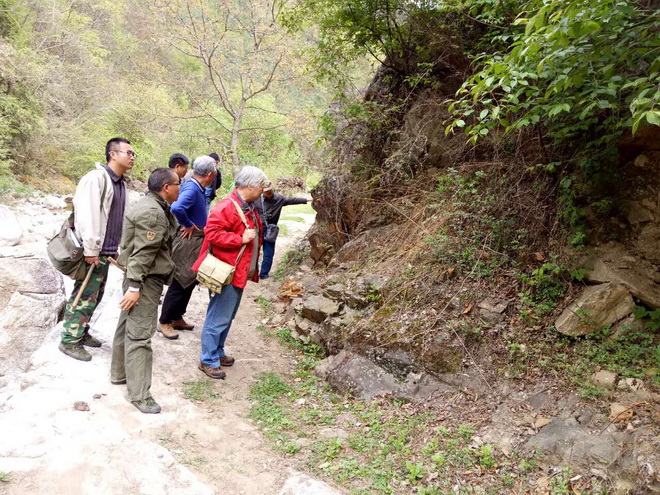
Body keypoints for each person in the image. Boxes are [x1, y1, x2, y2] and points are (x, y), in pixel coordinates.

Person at [110, 168, 180, 414]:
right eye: (178, 183)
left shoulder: (153, 205)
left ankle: (119, 373)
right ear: (166, 188)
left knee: (127, 323)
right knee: (140, 334)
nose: (180, 188)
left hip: (138, 276)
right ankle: (140, 394)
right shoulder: (153, 212)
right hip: (144, 279)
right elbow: (144, 253)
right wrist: (134, 287)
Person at [58, 137, 133, 362]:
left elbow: (118, 218)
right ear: (113, 154)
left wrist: (116, 247)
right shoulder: (95, 179)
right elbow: (87, 215)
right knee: (84, 294)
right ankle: (69, 339)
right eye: (128, 153)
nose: (132, 157)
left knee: (95, 294)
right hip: (93, 251)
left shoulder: (120, 183)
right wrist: (91, 249)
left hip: (106, 251)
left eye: (133, 154)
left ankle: (81, 330)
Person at [191, 165, 267, 379]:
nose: (262, 190)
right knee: (218, 316)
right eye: (261, 186)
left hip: (238, 271)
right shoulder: (227, 206)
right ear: (250, 185)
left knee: (227, 315)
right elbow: (212, 233)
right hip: (227, 272)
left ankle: (217, 351)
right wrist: (239, 239)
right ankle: (208, 359)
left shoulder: (247, 205)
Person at [158, 155, 218, 339]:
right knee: (180, 279)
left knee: (190, 280)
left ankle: (177, 317)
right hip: (188, 241)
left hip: (196, 241)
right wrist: (188, 224)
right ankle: (164, 321)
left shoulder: (198, 187)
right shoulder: (192, 188)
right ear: (210, 174)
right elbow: (177, 208)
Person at [255, 182, 310, 279]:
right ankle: (253, 273)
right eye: (266, 191)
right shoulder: (257, 199)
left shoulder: (279, 199)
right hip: (258, 230)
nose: (268, 192)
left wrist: (307, 200)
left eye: (269, 190)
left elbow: (292, 200)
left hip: (271, 231)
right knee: (254, 253)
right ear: (262, 191)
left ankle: (263, 274)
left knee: (268, 254)